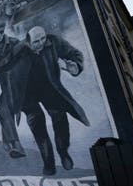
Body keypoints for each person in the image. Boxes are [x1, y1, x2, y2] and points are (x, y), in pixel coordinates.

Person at [14, 26, 90, 175]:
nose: (41, 43)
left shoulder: (53, 41)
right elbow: (2, 66)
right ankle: (48, 162)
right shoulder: (18, 51)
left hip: (49, 88)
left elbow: (75, 53)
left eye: (43, 38)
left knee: (60, 118)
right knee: (37, 125)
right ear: (28, 41)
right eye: (37, 41)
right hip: (27, 95)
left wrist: (75, 66)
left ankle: (63, 152)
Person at [0, 17, 26, 159]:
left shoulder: (12, 42)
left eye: (1, 32)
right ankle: (16, 144)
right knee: (4, 111)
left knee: (9, 112)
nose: (0, 36)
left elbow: (23, 52)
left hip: (12, 83)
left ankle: (6, 141)